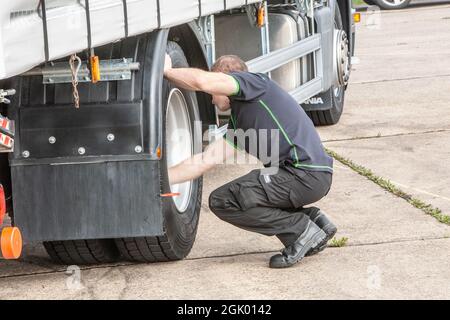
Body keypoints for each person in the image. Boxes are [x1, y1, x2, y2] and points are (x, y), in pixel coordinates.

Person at [165, 53, 337, 268]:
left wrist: (167, 71)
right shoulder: (240, 122)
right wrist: (160, 178)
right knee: (234, 195)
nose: (211, 98)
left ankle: (301, 230)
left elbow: (202, 81)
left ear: (224, 80)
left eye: (212, 93)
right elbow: (203, 160)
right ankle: (314, 221)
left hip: (303, 174)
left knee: (225, 199)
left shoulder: (255, 84)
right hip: (309, 177)